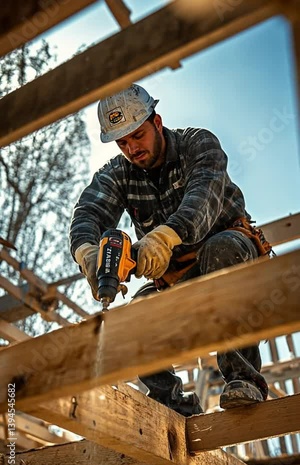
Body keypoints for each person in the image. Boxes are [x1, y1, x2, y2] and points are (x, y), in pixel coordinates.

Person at [70, 83, 271, 417]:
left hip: (232, 263)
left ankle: (243, 379)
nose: (131, 148)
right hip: (176, 280)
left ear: (157, 122)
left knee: (220, 249)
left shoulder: (198, 144)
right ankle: (173, 408)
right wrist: (87, 253)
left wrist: (164, 238)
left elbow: (203, 195)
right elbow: (88, 213)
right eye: (122, 142)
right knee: (136, 316)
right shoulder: (117, 174)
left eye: (137, 136)